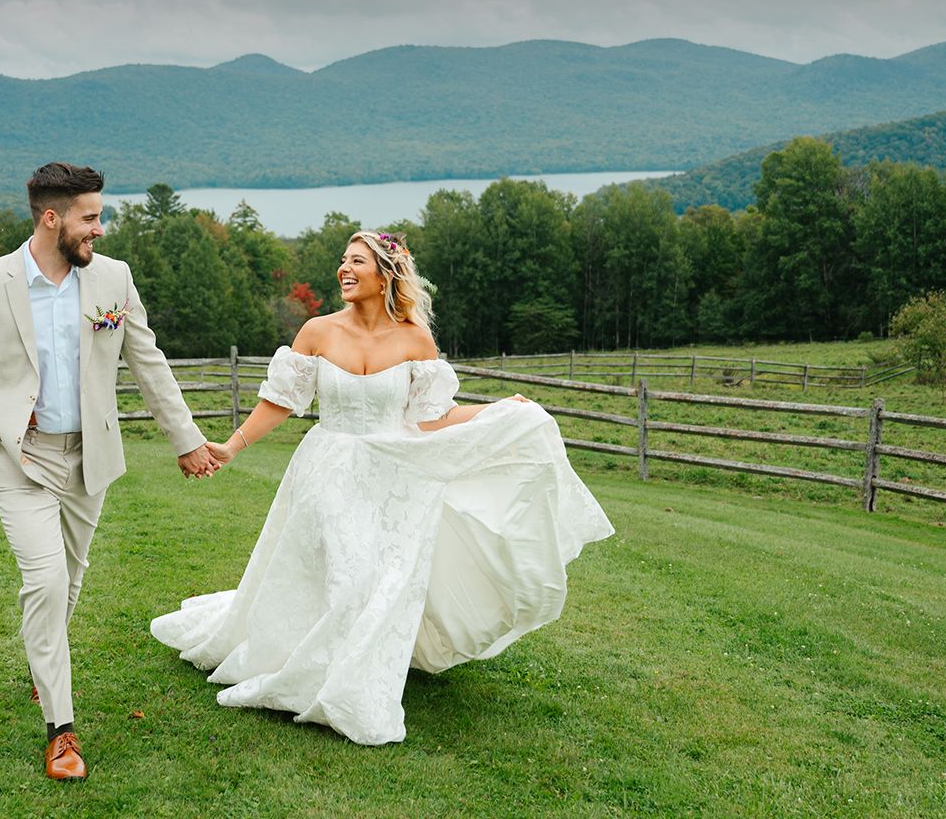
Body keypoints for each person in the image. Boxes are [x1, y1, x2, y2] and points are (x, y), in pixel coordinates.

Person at [150, 230, 614, 745]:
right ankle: (315, 677)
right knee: (349, 580)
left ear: (385, 273)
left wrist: (499, 411)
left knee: (385, 581)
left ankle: (357, 676)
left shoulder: (415, 339)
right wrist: (231, 446)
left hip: (396, 477)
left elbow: (432, 417)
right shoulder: (318, 332)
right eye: (342, 262)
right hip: (330, 467)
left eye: (356, 262)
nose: (344, 271)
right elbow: (281, 401)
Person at [0, 162, 226, 780]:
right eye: (90, 217)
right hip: (21, 457)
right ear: (52, 218)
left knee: (67, 584)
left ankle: (46, 671)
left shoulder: (114, 279)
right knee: (43, 584)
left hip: (89, 457)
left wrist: (186, 440)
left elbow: (149, 362)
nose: (100, 229)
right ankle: (61, 731)